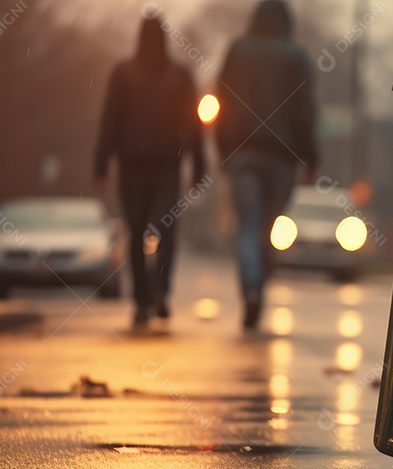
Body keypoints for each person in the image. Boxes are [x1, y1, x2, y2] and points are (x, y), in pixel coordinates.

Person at [95, 15, 204, 328]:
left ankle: (142, 300)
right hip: (167, 165)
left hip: (132, 166)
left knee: (137, 232)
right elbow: (193, 126)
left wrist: (101, 164)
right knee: (165, 230)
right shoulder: (180, 76)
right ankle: (159, 291)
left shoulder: (123, 73)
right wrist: (198, 166)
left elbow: (110, 121)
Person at [216, 0, 317, 330]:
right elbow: (305, 111)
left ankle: (250, 289)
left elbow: (221, 99)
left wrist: (222, 148)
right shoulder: (296, 57)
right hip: (282, 158)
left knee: (247, 226)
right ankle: (261, 280)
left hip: (243, 152)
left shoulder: (238, 51)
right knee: (268, 227)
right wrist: (311, 158)